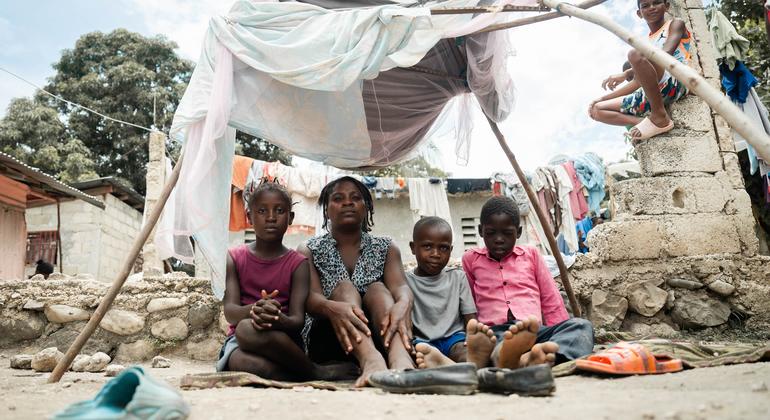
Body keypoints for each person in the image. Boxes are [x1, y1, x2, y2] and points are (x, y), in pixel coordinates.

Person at [218, 181, 355, 381]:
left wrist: (277, 319)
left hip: (284, 342)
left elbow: (297, 320)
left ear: (290, 218)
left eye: (279, 211)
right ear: (249, 217)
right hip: (242, 341)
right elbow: (230, 313)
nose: (271, 218)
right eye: (262, 211)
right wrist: (255, 310)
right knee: (242, 345)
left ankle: (309, 370)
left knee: (247, 331)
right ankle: (308, 373)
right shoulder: (234, 258)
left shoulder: (298, 263)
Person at [298, 176, 415, 387]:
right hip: (329, 338)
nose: (347, 202)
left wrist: (403, 303)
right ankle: (372, 362)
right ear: (326, 210)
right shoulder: (309, 249)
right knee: (344, 288)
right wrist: (332, 308)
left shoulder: (386, 247)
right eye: (338, 198)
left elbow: (401, 287)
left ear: (366, 206)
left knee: (378, 289)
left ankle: (401, 361)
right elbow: (310, 299)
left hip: (381, 335)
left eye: (355, 198)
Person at [461, 196, 594, 370]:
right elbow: (468, 303)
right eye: (491, 233)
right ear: (480, 231)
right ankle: (513, 356)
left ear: (519, 232)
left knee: (582, 326)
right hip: (494, 333)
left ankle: (530, 356)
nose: (499, 239)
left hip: (534, 332)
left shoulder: (531, 255)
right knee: (492, 344)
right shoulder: (471, 260)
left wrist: (554, 332)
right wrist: (470, 335)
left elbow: (550, 299)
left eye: (507, 233)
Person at [588, 0, 692, 140]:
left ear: (666, 6)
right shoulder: (646, 43)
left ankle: (659, 116)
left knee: (634, 54)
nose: (652, 8)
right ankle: (643, 122)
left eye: (656, 3)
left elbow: (663, 56)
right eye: (645, 6)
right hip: (653, 92)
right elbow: (638, 82)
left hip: (676, 83)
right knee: (596, 110)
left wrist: (626, 74)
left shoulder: (675, 24)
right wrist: (601, 99)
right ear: (639, 13)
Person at [404, 217, 477, 369]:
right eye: (428, 247)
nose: (436, 254)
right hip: (423, 341)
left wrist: (472, 340)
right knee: (418, 356)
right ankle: (446, 365)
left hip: (454, 339)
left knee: (466, 354)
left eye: (443, 248)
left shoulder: (457, 277)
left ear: (451, 250)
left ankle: (448, 365)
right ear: (413, 247)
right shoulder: (405, 281)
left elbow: (470, 316)